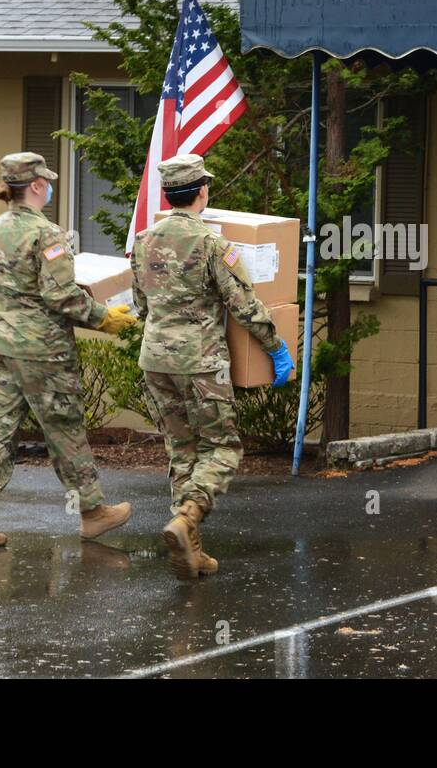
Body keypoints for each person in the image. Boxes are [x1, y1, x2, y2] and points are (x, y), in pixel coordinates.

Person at [0, 152, 138, 547]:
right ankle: (92, 512)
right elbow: (61, 297)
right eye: (46, 181)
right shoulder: (47, 234)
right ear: (36, 185)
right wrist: (104, 317)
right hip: (42, 350)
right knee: (64, 429)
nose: (49, 187)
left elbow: (11, 283)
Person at [130, 153, 295, 579]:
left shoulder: (144, 241)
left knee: (181, 448)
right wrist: (276, 347)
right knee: (222, 447)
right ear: (202, 191)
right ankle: (188, 518)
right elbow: (244, 305)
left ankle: (190, 549)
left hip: (155, 360)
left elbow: (140, 305)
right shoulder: (212, 245)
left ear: (169, 195)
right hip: (200, 361)